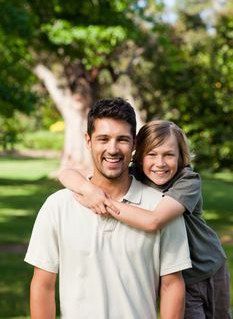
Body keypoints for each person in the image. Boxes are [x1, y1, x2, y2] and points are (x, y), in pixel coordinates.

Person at [25, 97, 191, 319]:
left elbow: (172, 285)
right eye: (103, 139)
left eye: (122, 140)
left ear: (134, 145)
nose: (112, 149)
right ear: (88, 141)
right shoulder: (57, 206)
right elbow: (43, 286)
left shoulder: (162, 207)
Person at [59, 119, 231, 319]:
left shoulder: (187, 181)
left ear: (181, 157)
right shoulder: (136, 176)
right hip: (180, 277)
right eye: (152, 154)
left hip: (210, 268)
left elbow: (153, 221)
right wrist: (88, 189)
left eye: (169, 155)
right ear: (139, 157)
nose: (160, 163)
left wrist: (102, 202)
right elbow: (66, 174)